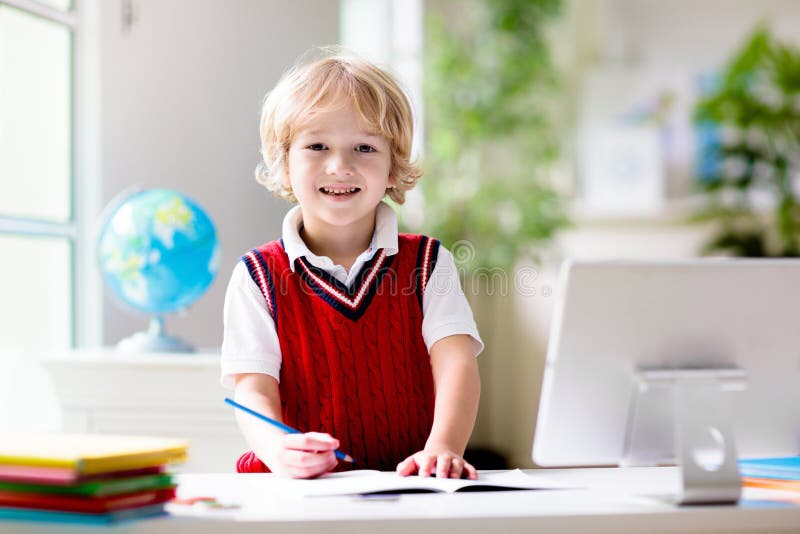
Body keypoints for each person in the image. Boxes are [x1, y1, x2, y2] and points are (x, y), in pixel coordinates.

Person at [221, 48, 483, 480]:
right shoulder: (256, 276)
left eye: (364, 147)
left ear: (393, 167)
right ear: (284, 164)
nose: (340, 166)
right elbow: (253, 387)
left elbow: (456, 361)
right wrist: (277, 449)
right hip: (298, 490)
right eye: (317, 146)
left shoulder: (429, 263)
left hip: (409, 482)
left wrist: (443, 448)